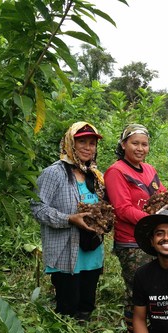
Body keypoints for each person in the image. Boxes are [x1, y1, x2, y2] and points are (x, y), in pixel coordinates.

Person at [31, 122, 106, 320]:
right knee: (67, 308)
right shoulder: (54, 173)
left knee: (86, 305)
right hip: (66, 250)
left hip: (92, 249)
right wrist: (69, 219)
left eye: (92, 143)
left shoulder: (95, 174)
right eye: (81, 142)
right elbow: (37, 207)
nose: (88, 147)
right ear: (69, 143)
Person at [104, 124, 167, 333]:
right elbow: (122, 209)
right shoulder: (116, 171)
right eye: (135, 143)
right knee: (138, 290)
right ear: (123, 145)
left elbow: (163, 195)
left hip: (153, 238)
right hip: (131, 241)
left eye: (144, 144)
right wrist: (155, 220)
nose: (140, 148)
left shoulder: (149, 170)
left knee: (155, 287)